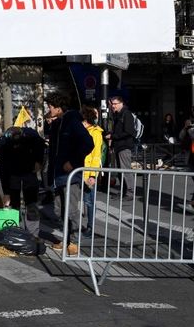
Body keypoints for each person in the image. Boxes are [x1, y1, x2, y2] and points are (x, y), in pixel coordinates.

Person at [45, 92, 94, 255]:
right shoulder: (56, 124)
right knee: (58, 209)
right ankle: (66, 238)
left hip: (71, 175)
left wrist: (73, 162)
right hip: (57, 175)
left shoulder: (72, 121)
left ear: (59, 108)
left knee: (71, 208)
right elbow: (53, 151)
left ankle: (73, 241)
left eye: (51, 107)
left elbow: (88, 143)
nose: (49, 110)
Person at [0, 126, 45, 237]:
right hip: (13, 176)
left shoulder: (31, 138)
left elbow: (41, 144)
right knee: (15, 206)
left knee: (31, 205)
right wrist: (6, 193)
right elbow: (3, 169)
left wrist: (39, 160)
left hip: (28, 174)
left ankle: (32, 235)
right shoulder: (5, 145)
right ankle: (18, 231)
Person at [105, 96, 136, 201]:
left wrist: (113, 136)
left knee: (125, 170)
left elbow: (129, 132)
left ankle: (130, 192)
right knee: (120, 171)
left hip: (124, 146)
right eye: (112, 104)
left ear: (121, 103)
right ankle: (124, 191)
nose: (113, 106)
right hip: (119, 146)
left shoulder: (126, 114)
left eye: (115, 104)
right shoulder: (118, 115)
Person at [81, 105, 104, 238]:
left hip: (88, 172)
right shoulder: (82, 131)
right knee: (83, 200)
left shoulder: (96, 133)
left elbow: (96, 156)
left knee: (89, 201)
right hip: (79, 170)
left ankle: (90, 227)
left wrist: (92, 175)